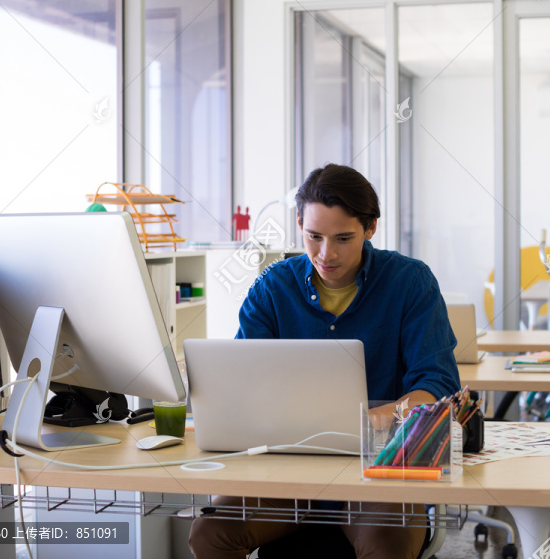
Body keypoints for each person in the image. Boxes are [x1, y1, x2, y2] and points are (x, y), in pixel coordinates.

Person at [188, 164, 461, 559]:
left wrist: (376, 420)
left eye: (343, 238)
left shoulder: (410, 282)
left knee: (385, 545)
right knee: (209, 533)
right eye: (313, 236)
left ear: (371, 228)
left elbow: (438, 387)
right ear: (299, 222)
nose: (326, 253)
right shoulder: (273, 286)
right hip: (286, 473)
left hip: (379, 470)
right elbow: (241, 378)